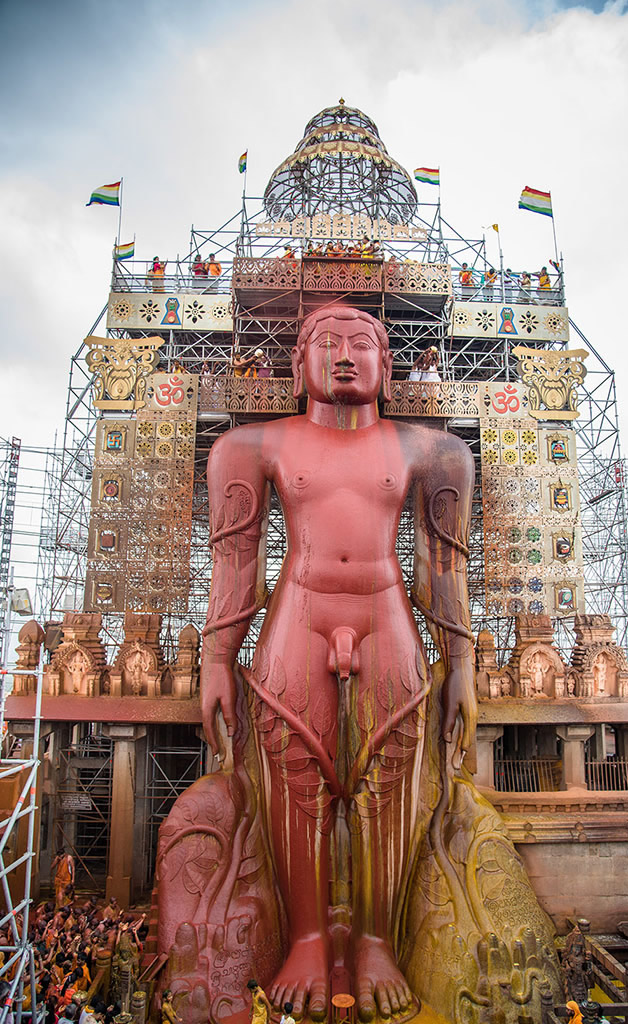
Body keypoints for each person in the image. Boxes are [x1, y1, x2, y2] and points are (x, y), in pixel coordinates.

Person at [201, 306, 475, 1021]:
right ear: (299, 364)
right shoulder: (252, 445)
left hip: (385, 615)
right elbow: (235, 560)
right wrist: (215, 659)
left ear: (387, 364)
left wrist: (464, 668)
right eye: (328, 344)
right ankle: (308, 937)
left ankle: (379, 938)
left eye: (362, 344)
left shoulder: (434, 452)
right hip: (299, 613)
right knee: (296, 778)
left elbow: (444, 567)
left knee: (390, 783)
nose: (346, 357)